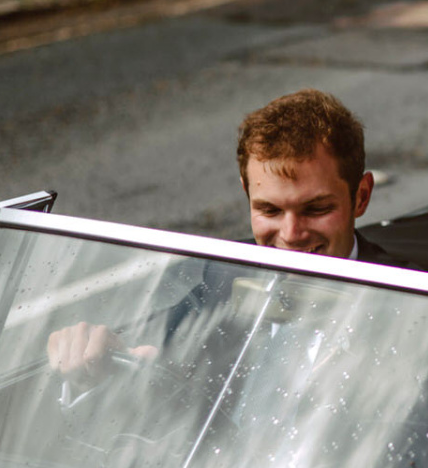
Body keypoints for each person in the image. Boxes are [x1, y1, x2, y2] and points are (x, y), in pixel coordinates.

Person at [47, 88, 406, 378]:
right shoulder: (224, 278)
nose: (291, 234)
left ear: (361, 196)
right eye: (269, 210)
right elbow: (158, 362)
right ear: (246, 193)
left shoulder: (413, 304)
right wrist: (99, 360)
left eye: (316, 209)